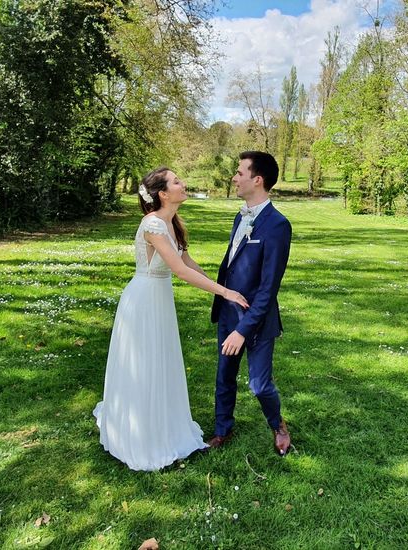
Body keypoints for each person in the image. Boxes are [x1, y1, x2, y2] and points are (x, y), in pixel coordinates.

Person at [93, 167, 249, 471]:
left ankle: (165, 424)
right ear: (163, 193)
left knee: (161, 362)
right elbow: (178, 269)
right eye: (177, 181)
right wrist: (226, 294)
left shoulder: (172, 222)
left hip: (159, 300)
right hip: (143, 301)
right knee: (145, 364)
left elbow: (188, 261)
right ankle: (143, 436)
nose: (183, 183)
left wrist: (223, 289)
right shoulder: (152, 224)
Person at [208, 151, 293, 455]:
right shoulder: (239, 216)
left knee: (259, 384)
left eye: (240, 172)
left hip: (257, 319)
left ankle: (278, 425)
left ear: (257, 180)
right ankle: (222, 430)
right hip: (229, 311)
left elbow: (268, 288)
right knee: (224, 375)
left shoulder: (278, 225)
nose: (235, 177)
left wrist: (243, 330)